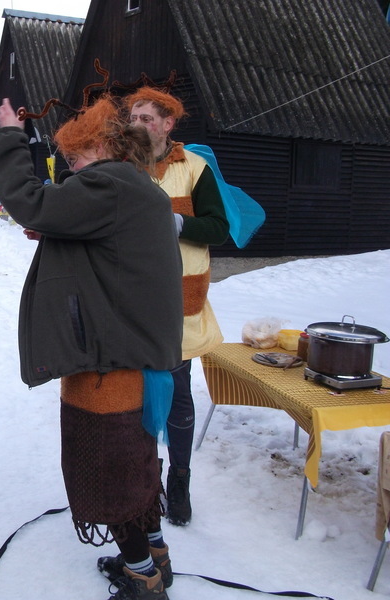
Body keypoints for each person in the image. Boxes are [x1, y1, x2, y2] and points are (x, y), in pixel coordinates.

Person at [0, 96, 183, 600]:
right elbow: (106, 251)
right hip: (132, 358)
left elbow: (31, 200)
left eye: (75, 156)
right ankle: (156, 556)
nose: (71, 168)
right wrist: (60, 227)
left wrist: (9, 137)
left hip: (108, 366)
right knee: (137, 469)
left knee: (111, 476)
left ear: (104, 146)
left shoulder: (109, 183)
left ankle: (142, 578)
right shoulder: (133, 186)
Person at [124, 87, 229, 526]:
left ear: (168, 125)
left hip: (178, 301)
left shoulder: (194, 168)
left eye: (147, 118)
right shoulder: (121, 165)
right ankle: (146, 480)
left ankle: (180, 480)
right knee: (134, 396)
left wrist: (180, 222)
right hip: (130, 299)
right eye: (133, 117)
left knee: (178, 395)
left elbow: (219, 228)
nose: (137, 125)